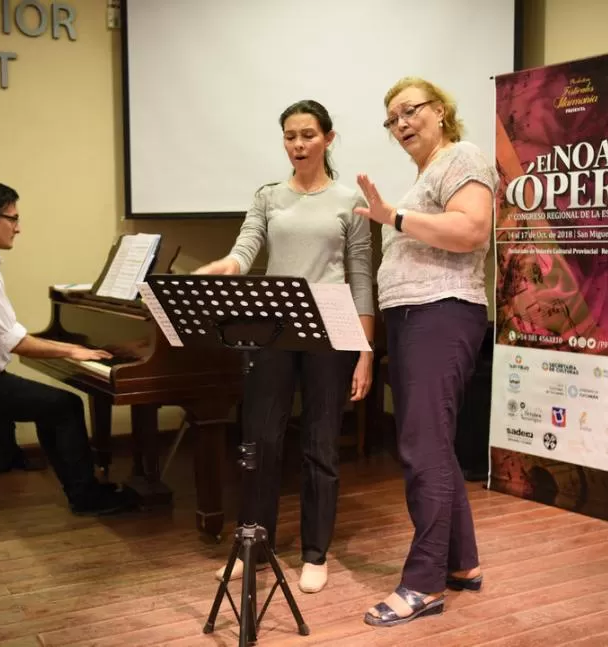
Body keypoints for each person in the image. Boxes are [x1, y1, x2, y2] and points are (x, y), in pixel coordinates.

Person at [195, 100, 375, 594]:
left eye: (308, 135)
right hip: (272, 330)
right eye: (290, 136)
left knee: (320, 443)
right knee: (261, 442)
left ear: (328, 139)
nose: (298, 144)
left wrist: (365, 351)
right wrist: (227, 266)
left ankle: (316, 552)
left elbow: (360, 275)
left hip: (333, 333)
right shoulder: (269, 196)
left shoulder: (348, 200)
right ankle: (254, 545)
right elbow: (246, 245)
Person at [353, 77, 498, 627]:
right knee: (432, 443)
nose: (401, 124)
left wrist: (393, 217)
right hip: (418, 318)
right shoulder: (426, 175)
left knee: (421, 448)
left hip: (441, 313)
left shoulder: (463, 156)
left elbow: (471, 230)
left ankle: (422, 585)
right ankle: (461, 564)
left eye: (410, 111)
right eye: (392, 119)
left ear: (440, 110)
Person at [0, 180, 137, 516]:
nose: (18, 227)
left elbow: (9, 336)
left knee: (54, 406)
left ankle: (79, 489)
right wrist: (74, 351)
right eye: (12, 218)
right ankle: (84, 496)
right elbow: (16, 342)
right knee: (65, 405)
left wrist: (69, 347)